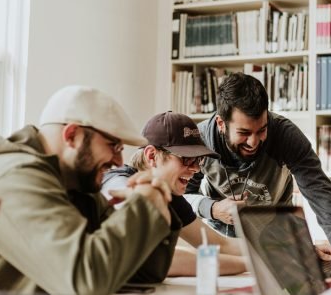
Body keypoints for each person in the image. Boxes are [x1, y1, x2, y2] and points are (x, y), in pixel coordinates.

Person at [0, 85, 180, 294]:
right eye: (113, 146)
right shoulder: (18, 178)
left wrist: (156, 202)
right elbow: (86, 282)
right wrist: (145, 205)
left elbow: (143, 272)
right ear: (72, 135)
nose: (119, 162)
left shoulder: (77, 184)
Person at [185, 72, 331, 257]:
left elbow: (319, 191)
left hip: (278, 240)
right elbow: (182, 197)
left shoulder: (285, 135)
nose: (253, 142)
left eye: (261, 130)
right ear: (221, 123)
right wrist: (213, 209)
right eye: (244, 133)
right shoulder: (199, 140)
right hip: (222, 243)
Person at [101, 111, 246, 276]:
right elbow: (158, 258)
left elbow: (219, 245)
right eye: (187, 159)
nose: (196, 169)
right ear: (152, 156)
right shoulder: (117, 182)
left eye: (198, 160)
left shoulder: (169, 195)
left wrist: (270, 250)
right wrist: (250, 264)